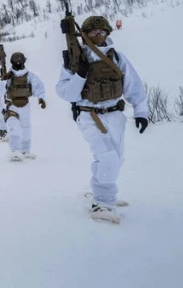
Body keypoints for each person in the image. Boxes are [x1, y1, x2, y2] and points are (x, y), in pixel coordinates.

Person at [56, 16, 148, 223]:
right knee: (107, 157)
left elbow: (133, 86)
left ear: (107, 33)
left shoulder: (117, 57)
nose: (98, 36)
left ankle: (104, 194)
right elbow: (66, 94)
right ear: (85, 35)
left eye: (101, 32)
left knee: (116, 158)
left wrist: (141, 112)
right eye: (92, 33)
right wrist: (80, 74)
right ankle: (102, 203)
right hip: (89, 116)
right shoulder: (75, 59)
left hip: (115, 114)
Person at [3, 52, 46, 161]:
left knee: (26, 127)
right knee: (14, 127)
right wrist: (2, 79)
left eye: (20, 61)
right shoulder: (8, 76)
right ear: (12, 62)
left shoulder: (29, 75)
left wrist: (40, 97)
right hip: (12, 105)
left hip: (25, 105)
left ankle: (25, 150)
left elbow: (38, 86)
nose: (18, 63)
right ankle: (15, 151)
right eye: (16, 61)